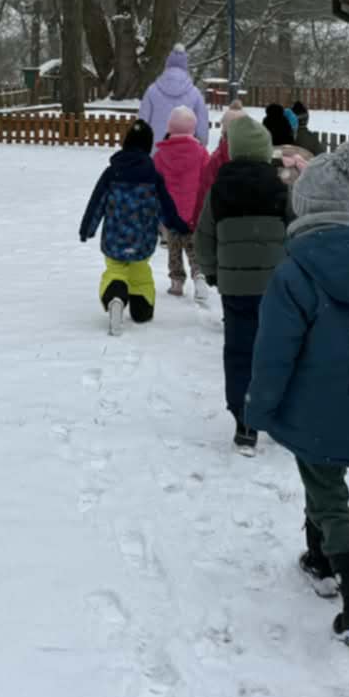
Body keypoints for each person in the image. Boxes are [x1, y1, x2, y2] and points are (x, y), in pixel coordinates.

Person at [244, 139, 349, 646]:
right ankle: (319, 558)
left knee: (328, 494)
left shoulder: (294, 272)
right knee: (320, 474)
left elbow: (273, 353)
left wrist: (259, 406)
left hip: (308, 405)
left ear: (305, 207)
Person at [195, 114, 291, 452]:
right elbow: (295, 230)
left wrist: (211, 271)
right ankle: (275, 407)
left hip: (234, 284)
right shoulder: (280, 189)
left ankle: (244, 418)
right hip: (275, 286)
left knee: (239, 349)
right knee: (276, 348)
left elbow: (204, 235)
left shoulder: (219, 190)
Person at [77, 121, 189, 335]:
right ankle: (141, 308)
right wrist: (177, 226)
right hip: (142, 241)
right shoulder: (153, 177)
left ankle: (115, 297)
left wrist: (87, 229)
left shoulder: (112, 173)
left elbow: (97, 203)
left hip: (114, 239)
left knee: (115, 270)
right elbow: (166, 207)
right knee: (140, 273)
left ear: (125, 143)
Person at [151, 105, 210, 301]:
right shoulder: (201, 153)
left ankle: (176, 281)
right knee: (194, 247)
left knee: (174, 247)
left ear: (170, 127)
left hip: (170, 212)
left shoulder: (160, 155)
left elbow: (155, 182)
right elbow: (207, 178)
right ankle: (199, 275)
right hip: (194, 210)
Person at [138, 45, 207, 147]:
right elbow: (202, 124)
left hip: (155, 148)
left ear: (167, 65)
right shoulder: (195, 93)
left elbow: (142, 120)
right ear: (185, 66)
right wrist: (202, 144)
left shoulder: (152, 90)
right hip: (186, 149)